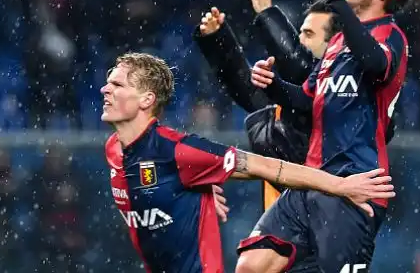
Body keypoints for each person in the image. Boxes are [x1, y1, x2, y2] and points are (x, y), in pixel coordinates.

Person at [103, 52, 395, 273]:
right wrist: (194, 195)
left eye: (116, 84)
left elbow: (269, 167)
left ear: (146, 99)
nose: (105, 90)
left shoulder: (179, 151)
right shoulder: (114, 148)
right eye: (107, 82)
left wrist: (341, 185)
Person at [239, 0, 413, 272]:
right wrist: (272, 84)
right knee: (252, 265)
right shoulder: (336, 44)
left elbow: (374, 63)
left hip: (355, 189)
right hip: (312, 181)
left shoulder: (391, 37)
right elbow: (308, 99)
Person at [194, 0, 340, 210]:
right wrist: (218, 40)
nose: (299, 40)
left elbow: (298, 67)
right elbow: (247, 89)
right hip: (282, 219)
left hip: (320, 219)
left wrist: (266, 11)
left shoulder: (334, 96)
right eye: (299, 32)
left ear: (334, 46)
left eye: (308, 34)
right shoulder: (290, 96)